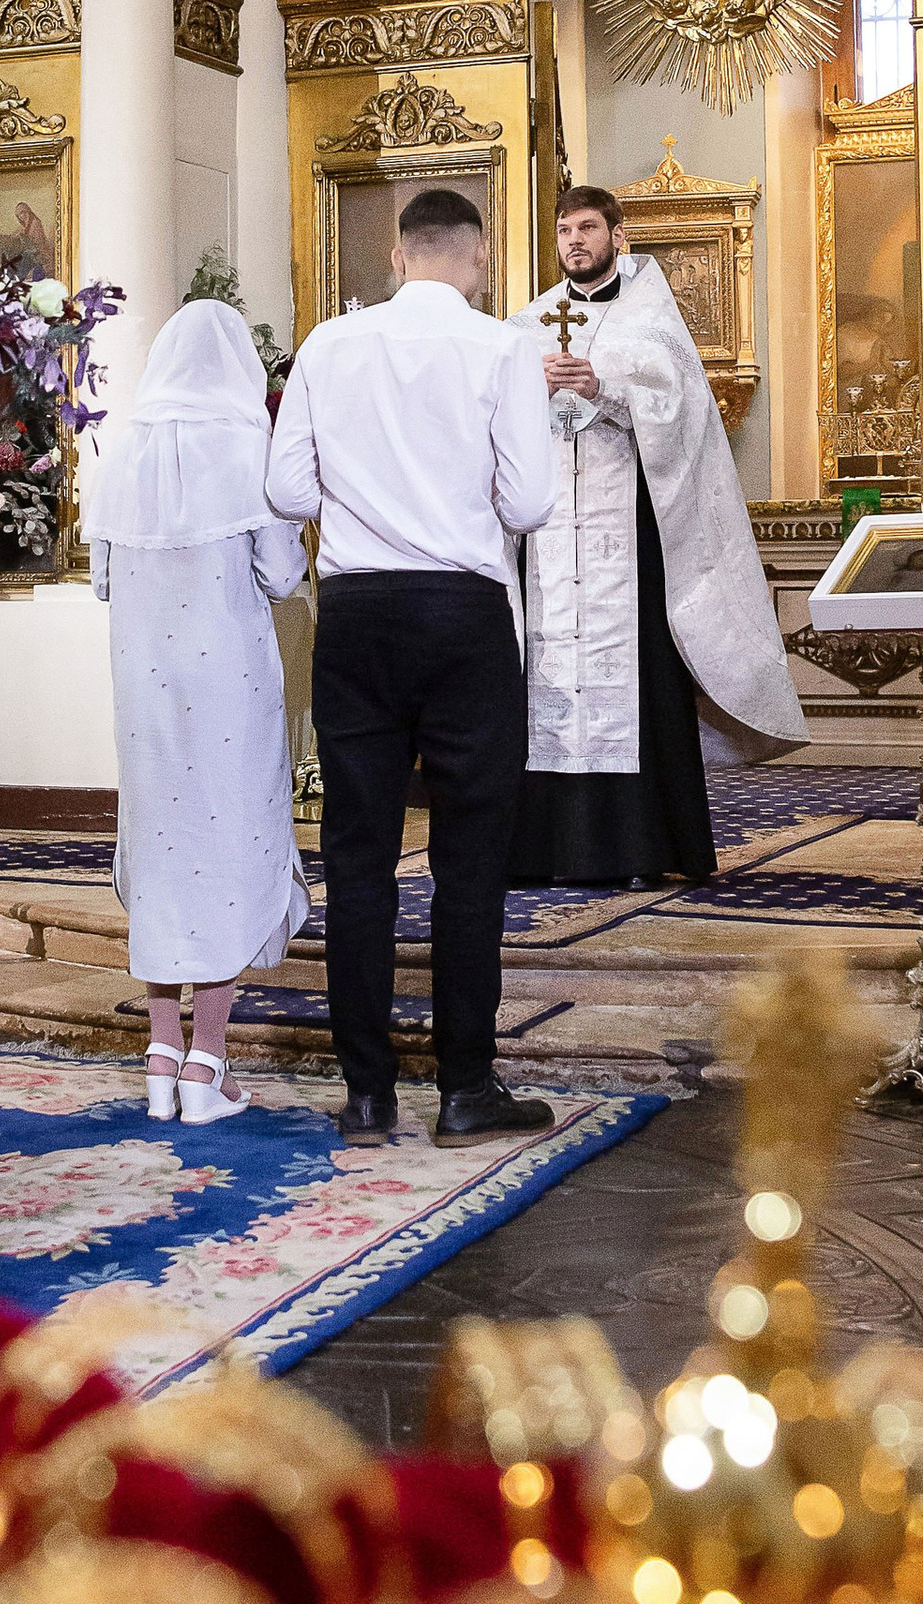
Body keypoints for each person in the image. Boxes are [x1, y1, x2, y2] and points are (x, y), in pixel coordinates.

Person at [266, 185, 556, 1148]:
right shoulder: (501, 347)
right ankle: (468, 1087)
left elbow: (283, 486)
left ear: (396, 258)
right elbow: (527, 506)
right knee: (472, 861)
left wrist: (365, 500)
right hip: (463, 614)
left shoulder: (328, 345)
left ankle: (367, 1093)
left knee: (359, 858)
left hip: (357, 612)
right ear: (476, 260)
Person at [513, 186, 805, 888]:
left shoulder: (651, 315)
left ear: (619, 234)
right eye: (564, 231)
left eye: (587, 228)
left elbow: (679, 414)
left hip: (629, 531)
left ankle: (642, 846)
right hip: (552, 536)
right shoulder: (528, 322)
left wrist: (602, 387)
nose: (574, 241)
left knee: (635, 675)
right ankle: (543, 849)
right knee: (548, 673)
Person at [83, 299, 308, 1126]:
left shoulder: (125, 447)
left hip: (142, 684)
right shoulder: (248, 445)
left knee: (165, 850)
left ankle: (160, 1056)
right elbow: (282, 576)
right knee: (230, 844)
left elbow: (102, 578)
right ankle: (207, 1067)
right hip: (229, 684)